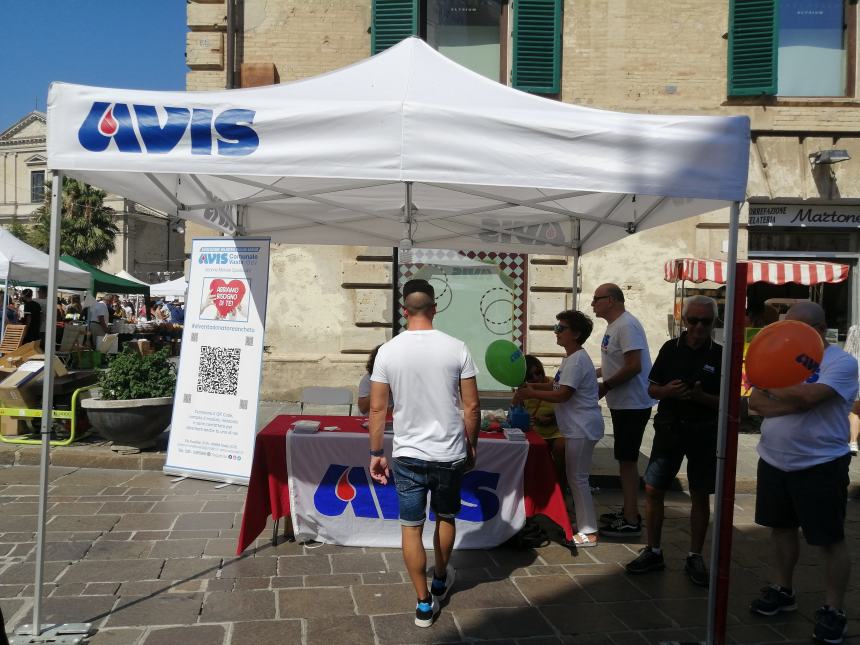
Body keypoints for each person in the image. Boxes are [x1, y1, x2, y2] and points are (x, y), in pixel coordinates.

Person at [368, 279, 480, 628]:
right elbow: (472, 406)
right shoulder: (457, 347)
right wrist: (471, 444)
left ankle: (422, 604)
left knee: (410, 528)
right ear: (434, 308)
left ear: (404, 311)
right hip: (448, 452)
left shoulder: (388, 351)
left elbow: (376, 408)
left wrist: (375, 452)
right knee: (445, 518)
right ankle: (441, 579)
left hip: (407, 453)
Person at [748, 302, 856, 644]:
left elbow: (812, 395)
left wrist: (774, 388)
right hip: (775, 459)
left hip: (820, 462)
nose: (790, 336)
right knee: (781, 529)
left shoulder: (842, 362)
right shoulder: (780, 353)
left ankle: (833, 608)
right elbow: (755, 402)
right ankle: (783, 589)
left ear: (821, 331)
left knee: (828, 539)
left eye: (800, 330)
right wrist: (790, 398)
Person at [624, 296, 721, 587]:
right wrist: (667, 390)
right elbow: (651, 388)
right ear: (684, 320)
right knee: (653, 488)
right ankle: (653, 550)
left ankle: (695, 555)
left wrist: (702, 398)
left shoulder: (721, 354)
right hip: (670, 428)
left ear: (714, 323)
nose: (699, 327)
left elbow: (731, 403)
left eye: (706, 321)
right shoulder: (670, 348)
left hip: (704, 430)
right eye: (694, 320)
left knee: (700, 493)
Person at [514, 311, 604, 547]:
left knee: (578, 479)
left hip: (581, 427)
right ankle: (584, 524)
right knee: (576, 478)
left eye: (560, 328)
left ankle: (589, 531)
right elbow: (555, 385)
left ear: (575, 334)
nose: (556, 331)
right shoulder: (572, 359)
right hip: (577, 427)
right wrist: (532, 385)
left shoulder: (576, 360)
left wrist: (531, 392)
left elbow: (563, 394)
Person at [592, 283, 653, 538]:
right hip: (622, 403)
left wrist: (605, 386)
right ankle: (629, 510)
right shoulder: (614, 326)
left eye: (597, 299)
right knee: (624, 460)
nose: (593, 303)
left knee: (627, 462)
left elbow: (633, 365)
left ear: (612, 300)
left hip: (632, 403)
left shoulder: (627, 325)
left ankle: (631, 519)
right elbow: (614, 363)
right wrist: (590, 373)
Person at [519, 355, 566, 491]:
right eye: (530, 376)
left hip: (557, 431)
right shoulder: (523, 391)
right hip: (534, 433)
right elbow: (514, 414)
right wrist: (526, 420)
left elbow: (568, 409)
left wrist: (551, 419)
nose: (536, 378)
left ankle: (560, 492)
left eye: (538, 373)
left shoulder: (553, 384)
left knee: (561, 449)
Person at [357, 345, 392, 415]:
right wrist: (380, 388)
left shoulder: (402, 377)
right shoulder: (368, 379)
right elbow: (363, 409)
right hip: (371, 418)